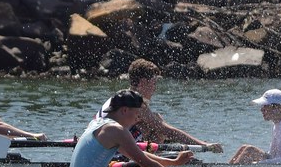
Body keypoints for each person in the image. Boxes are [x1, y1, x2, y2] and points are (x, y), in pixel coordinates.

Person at [71, 89, 194, 167]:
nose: (138, 119)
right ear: (124, 110)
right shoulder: (116, 130)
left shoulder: (98, 123)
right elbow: (147, 164)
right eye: (136, 114)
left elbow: (140, 155)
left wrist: (174, 162)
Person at [94, 59, 222, 151]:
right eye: (154, 83)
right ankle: (158, 163)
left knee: (155, 118)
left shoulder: (120, 96)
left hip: (103, 145)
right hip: (111, 154)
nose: (155, 88)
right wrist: (203, 145)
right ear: (143, 82)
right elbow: (166, 130)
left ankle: (160, 157)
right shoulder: (136, 105)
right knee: (158, 126)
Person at [229, 89, 281, 165]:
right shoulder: (276, 126)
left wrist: (260, 163)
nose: (261, 109)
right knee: (246, 148)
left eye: (266, 106)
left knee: (249, 150)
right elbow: (272, 155)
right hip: (276, 164)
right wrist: (258, 162)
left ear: (279, 108)